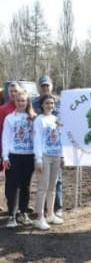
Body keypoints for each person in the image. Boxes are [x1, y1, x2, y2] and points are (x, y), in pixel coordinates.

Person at [2, 90, 36, 228]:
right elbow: (6, 137)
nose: (21, 103)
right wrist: (5, 156)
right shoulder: (10, 118)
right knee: (12, 185)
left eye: (23, 100)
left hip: (28, 156)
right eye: (18, 101)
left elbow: (36, 137)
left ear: (28, 102)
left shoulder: (33, 118)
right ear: (14, 102)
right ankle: (11, 214)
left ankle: (23, 212)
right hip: (13, 155)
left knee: (25, 185)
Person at [32, 76, 64, 218]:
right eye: (47, 103)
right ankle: (40, 216)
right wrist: (38, 158)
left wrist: (62, 155)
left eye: (52, 103)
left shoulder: (56, 116)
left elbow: (60, 135)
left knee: (53, 185)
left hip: (55, 154)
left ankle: (52, 212)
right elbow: (37, 139)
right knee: (42, 187)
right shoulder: (38, 117)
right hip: (43, 154)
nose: (50, 105)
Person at [0, 82, 21, 213]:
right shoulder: (3, 109)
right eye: (11, 91)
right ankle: (11, 206)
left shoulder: (26, 108)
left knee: (22, 180)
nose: (13, 93)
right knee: (10, 181)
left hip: (23, 151)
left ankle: (20, 206)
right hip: (7, 150)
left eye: (15, 91)